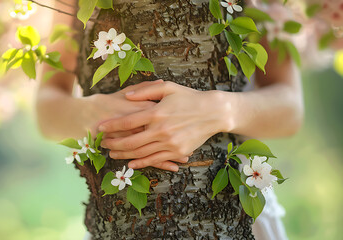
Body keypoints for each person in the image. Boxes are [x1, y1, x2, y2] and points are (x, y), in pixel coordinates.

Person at [36, 0, 302, 239]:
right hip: (118, 220)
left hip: (231, 213)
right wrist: (90, 114)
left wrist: (218, 110)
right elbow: (46, 110)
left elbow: (290, 109)